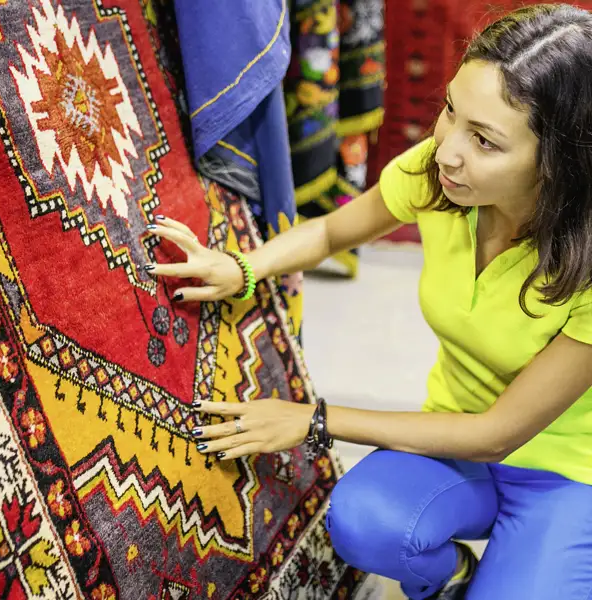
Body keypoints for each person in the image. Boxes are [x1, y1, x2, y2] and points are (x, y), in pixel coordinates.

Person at [143, 4, 592, 599]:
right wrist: (243, 268)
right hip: (454, 433)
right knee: (362, 523)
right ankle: (451, 577)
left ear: (560, 164)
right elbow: (331, 232)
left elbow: (497, 434)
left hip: (566, 475)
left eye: (484, 141)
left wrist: (313, 421)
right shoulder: (439, 178)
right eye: (451, 111)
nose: (447, 149)